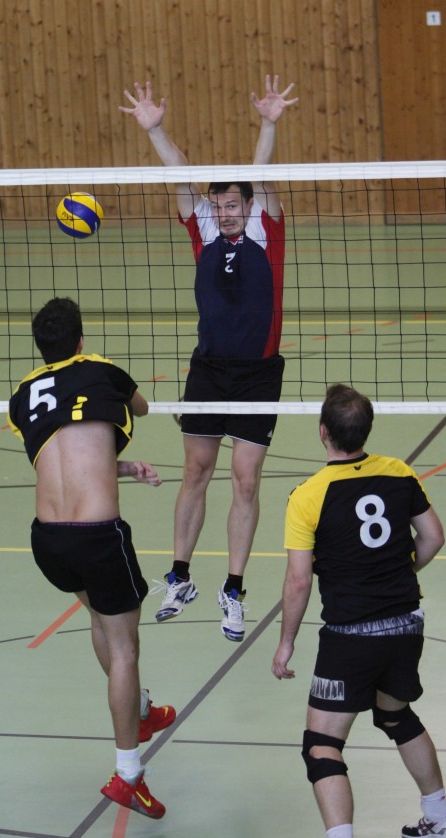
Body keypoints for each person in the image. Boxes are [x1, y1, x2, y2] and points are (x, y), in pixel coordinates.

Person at [120, 75, 298, 642]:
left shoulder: (267, 229)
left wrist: (268, 124)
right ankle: (180, 577)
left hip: (258, 375)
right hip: (209, 369)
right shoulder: (202, 227)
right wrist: (156, 131)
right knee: (196, 471)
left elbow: (262, 174)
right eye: (217, 205)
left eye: (232, 204)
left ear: (249, 204)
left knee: (245, 480)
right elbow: (179, 175)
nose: (224, 213)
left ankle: (233, 590)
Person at [271, 384, 446, 838]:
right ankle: (442, 819)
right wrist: (398, 572)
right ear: (367, 430)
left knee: (322, 745)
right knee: (396, 715)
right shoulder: (399, 472)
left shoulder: (308, 495)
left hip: (351, 636)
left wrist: (286, 642)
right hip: (406, 624)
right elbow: (433, 537)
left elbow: (298, 580)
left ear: (323, 431)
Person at [8, 296, 174, 820]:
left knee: (103, 621)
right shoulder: (103, 370)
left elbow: (63, 457)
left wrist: (121, 467)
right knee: (124, 648)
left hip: (48, 540)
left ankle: (140, 709)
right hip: (98, 538)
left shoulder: (23, 395)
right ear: (81, 341)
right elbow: (142, 408)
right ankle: (129, 775)